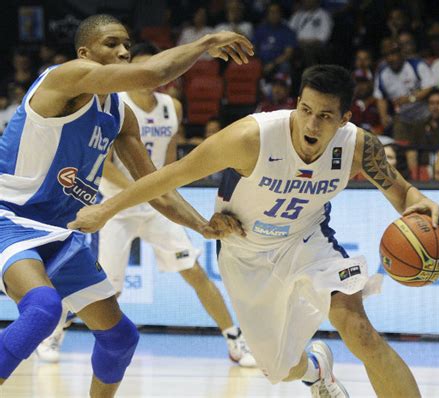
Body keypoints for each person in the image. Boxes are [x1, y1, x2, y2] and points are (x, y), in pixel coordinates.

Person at [70, 64, 439, 397]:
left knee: (359, 330)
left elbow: (402, 193)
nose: (311, 123)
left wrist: (421, 203)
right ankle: (316, 371)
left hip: (307, 242)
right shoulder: (250, 138)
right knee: (280, 369)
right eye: (305, 109)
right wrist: (106, 210)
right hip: (244, 253)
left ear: (344, 119)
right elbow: (166, 177)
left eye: (324, 115)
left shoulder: (356, 147)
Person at [0, 13, 253, 397]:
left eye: (127, 46)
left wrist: (202, 225)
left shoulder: (120, 115)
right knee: (43, 310)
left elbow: (157, 188)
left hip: (62, 232)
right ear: (84, 52)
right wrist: (204, 44)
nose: (122, 51)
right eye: (112, 44)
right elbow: (153, 74)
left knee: (120, 339)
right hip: (10, 218)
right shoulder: (64, 78)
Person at [98, 43, 255, 367]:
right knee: (105, 291)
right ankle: (56, 333)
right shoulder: (116, 104)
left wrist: (160, 194)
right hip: (118, 204)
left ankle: (234, 340)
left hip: (156, 203)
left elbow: (169, 167)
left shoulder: (173, 107)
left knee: (194, 272)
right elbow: (104, 163)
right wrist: (140, 190)